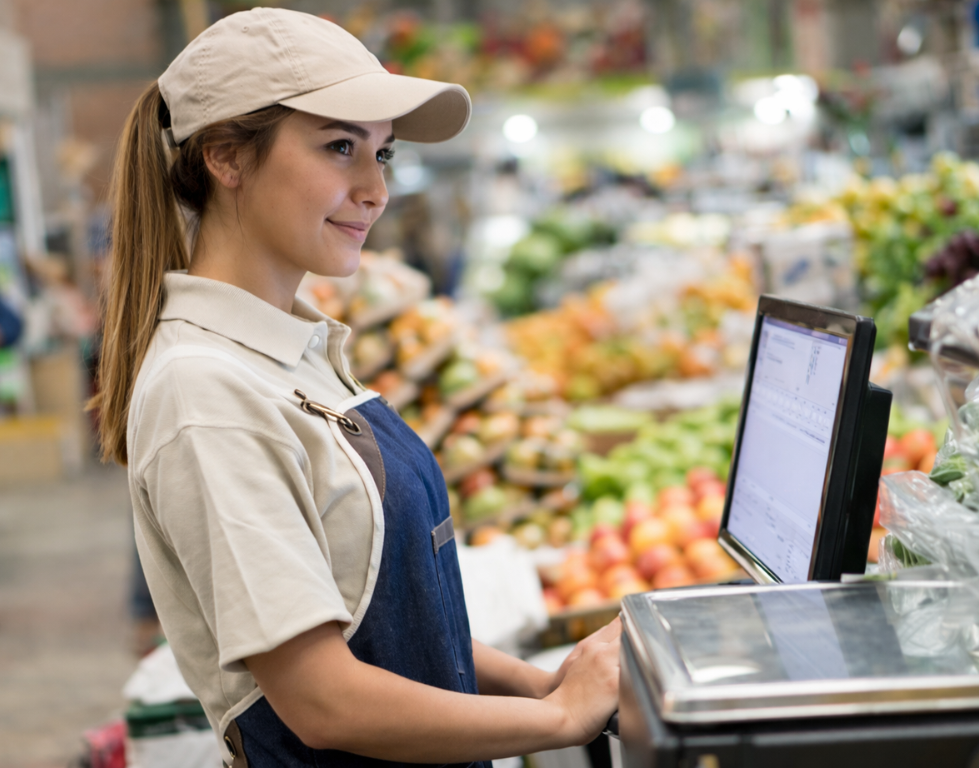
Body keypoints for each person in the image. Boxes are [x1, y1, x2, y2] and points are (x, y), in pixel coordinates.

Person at [89, 9, 620, 767]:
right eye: (340, 147)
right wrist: (561, 720)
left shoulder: (296, 351)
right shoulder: (205, 390)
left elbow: (371, 610)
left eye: (383, 154)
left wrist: (540, 685)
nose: (374, 189)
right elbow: (323, 700)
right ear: (226, 159)